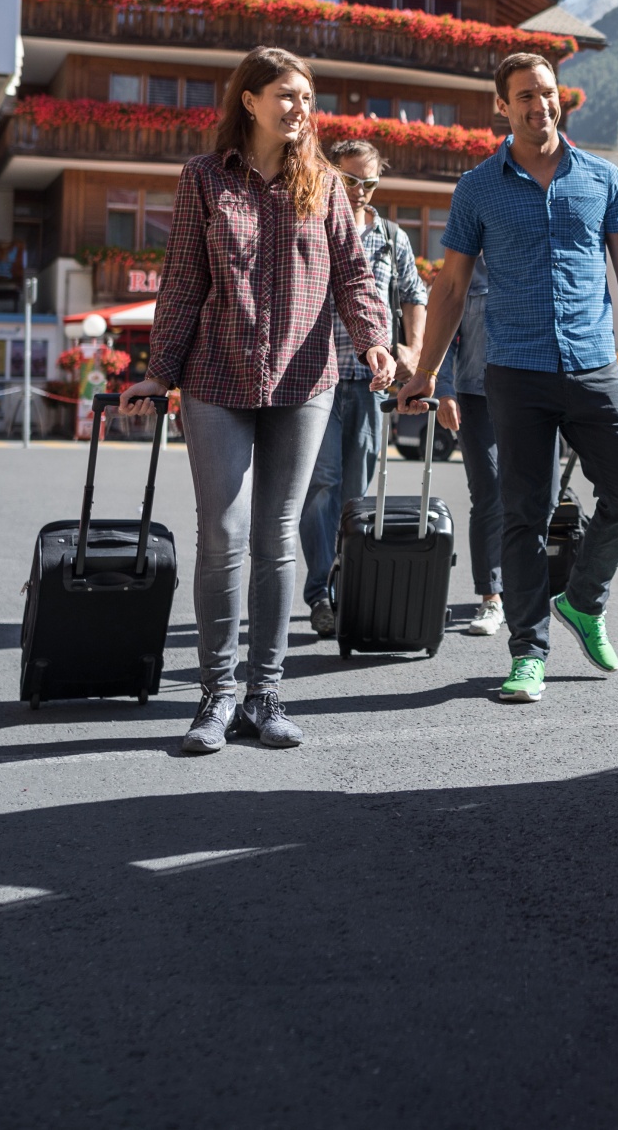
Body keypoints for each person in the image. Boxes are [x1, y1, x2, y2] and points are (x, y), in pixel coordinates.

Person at [122, 46, 394, 756]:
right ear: (250, 100)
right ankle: (215, 695)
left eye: (307, 97)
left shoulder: (326, 184)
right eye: (286, 95)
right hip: (215, 377)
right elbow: (182, 281)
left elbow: (354, 274)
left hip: (306, 380)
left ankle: (264, 694)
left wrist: (373, 339)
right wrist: (160, 371)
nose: (300, 108)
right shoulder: (205, 179)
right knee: (224, 530)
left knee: (277, 536)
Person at [398, 52, 618, 706]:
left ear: (559, 99)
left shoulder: (602, 177)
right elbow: (452, 285)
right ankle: (528, 653)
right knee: (524, 514)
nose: (539, 104)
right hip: (514, 370)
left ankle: (584, 599)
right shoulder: (478, 187)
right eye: (525, 95)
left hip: (594, 363)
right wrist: (427, 372)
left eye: (547, 93)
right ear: (502, 105)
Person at [299, 138, 428, 638]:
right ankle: (320, 594)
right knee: (323, 485)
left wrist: (412, 352)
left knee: (357, 493)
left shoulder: (393, 237)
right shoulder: (314, 223)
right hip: (316, 378)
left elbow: (415, 295)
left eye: (369, 182)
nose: (360, 191)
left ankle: (348, 580)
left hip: (371, 384)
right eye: (351, 180)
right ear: (332, 175)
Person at [433, 263, 504, 635]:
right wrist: (443, 390)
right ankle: (491, 597)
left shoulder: (532, 258)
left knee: (543, 496)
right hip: (474, 397)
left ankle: (525, 589)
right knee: (489, 492)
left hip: (529, 394)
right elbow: (445, 335)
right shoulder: (466, 269)